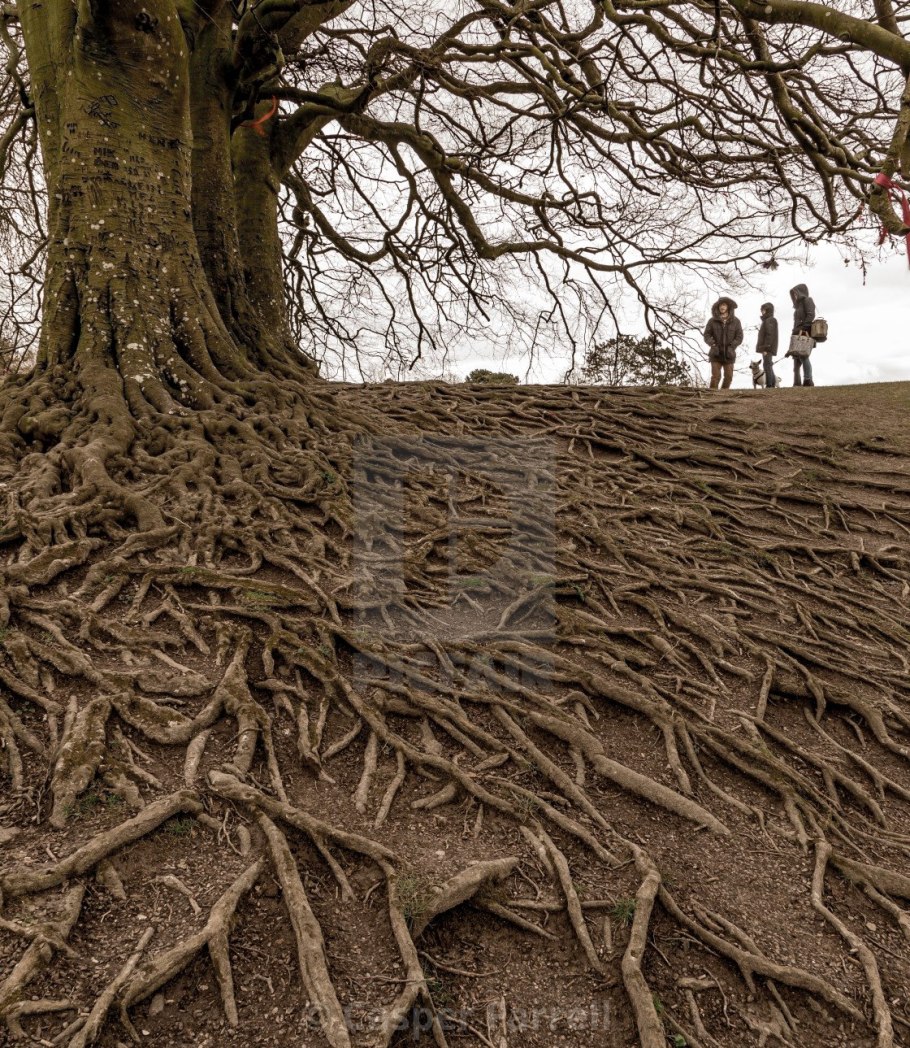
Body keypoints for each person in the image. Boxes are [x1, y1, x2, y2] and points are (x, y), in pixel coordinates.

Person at [703, 296, 743, 389]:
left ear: (728, 307)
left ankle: (723, 397)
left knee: (728, 377)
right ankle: (711, 397)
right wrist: (712, 343)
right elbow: (706, 335)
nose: (722, 307)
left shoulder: (736, 321)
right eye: (720, 305)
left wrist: (732, 346)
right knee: (715, 377)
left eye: (724, 305)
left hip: (729, 353)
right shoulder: (712, 320)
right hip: (715, 353)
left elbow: (739, 337)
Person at [786, 283, 816, 387]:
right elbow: (796, 322)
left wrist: (804, 328)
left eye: (795, 293)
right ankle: (797, 383)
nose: (794, 296)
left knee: (803, 356)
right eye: (793, 294)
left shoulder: (807, 300)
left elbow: (811, 314)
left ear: (800, 292)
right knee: (796, 360)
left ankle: (808, 380)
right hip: (796, 334)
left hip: (804, 333)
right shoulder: (797, 306)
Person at [756, 302, 778, 388]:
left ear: (768, 310)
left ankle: (769, 385)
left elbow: (770, 335)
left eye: (763, 310)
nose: (762, 312)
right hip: (766, 347)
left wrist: (765, 348)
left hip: (767, 348)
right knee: (767, 364)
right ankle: (771, 384)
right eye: (761, 310)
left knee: (767, 365)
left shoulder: (770, 320)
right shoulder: (767, 320)